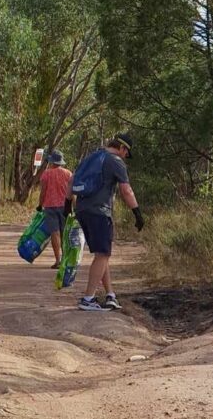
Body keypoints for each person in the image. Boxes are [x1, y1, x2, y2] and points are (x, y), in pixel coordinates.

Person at [73, 133, 144, 312]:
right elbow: (126, 190)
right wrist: (137, 213)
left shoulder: (91, 156)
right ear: (122, 148)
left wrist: (68, 204)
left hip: (82, 209)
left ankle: (110, 294)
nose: (126, 157)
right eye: (126, 153)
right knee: (103, 255)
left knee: (101, 254)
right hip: (100, 212)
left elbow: (71, 181)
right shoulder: (115, 161)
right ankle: (88, 298)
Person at [37, 150, 73, 269]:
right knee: (64, 233)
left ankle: (58, 260)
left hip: (50, 207)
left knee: (55, 233)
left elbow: (43, 192)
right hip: (65, 207)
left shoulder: (46, 174)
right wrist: (75, 207)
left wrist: (40, 205)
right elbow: (72, 193)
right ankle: (65, 259)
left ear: (52, 162)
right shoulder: (69, 174)